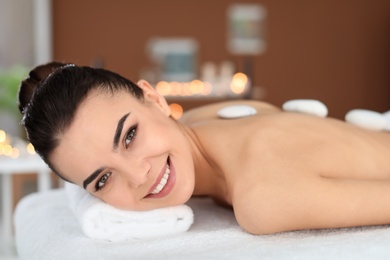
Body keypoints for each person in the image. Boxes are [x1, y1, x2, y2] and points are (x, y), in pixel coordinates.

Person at [18, 62, 390, 235]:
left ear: (154, 99)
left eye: (129, 135)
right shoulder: (202, 121)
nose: (138, 176)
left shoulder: (262, 198)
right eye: (102, 181)